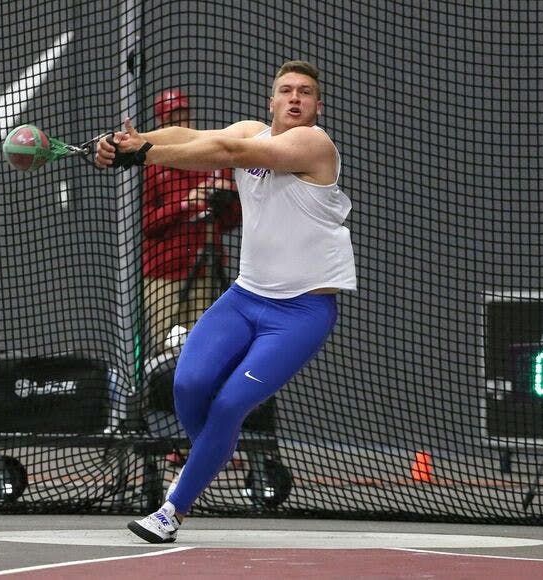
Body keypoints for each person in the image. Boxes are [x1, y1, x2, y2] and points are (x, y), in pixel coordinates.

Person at [95, 60, 357, 542]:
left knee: (232, 402)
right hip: (243, 299)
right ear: (272, 101)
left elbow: (226, 151)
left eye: (305, 92)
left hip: (299, 314)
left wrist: (144, 156)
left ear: (318, 106)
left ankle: (172, 511)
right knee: (188, 385)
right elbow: (189, 136)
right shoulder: (252, 130)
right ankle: (212, 456)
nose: (295, 98)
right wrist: (130, 142)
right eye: (286, 90)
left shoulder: (313, 145)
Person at [142, 88, 240, 356]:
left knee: (206, 350)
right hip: (164, 275)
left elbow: (233, 220)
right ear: (161, 123)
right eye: (174, 117)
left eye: (184, 114)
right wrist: (184, 204)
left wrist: (228, 197)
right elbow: (147, 224)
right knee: (170, 352)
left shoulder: (209, 159)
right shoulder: (153, 164)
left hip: (206, 269)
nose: (181, 122)